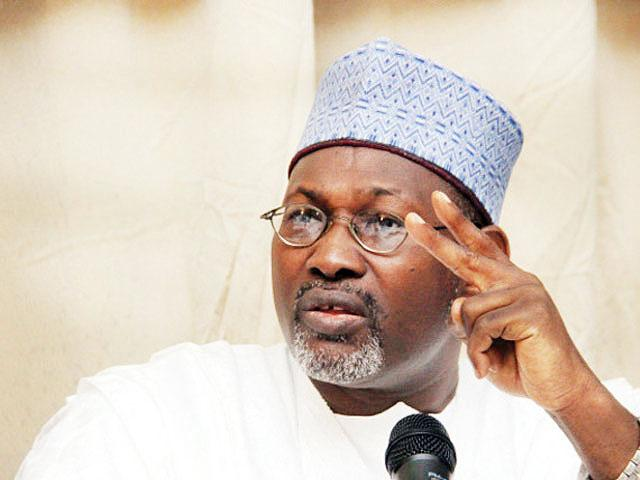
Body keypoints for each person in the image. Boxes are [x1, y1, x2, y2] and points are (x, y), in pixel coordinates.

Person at [18, 38, 639, 480]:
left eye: (383, 223)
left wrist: (577, 400)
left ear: (478, 261)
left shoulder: (579, 431)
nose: (330, 256)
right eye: (305, 215)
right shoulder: (148, 420)